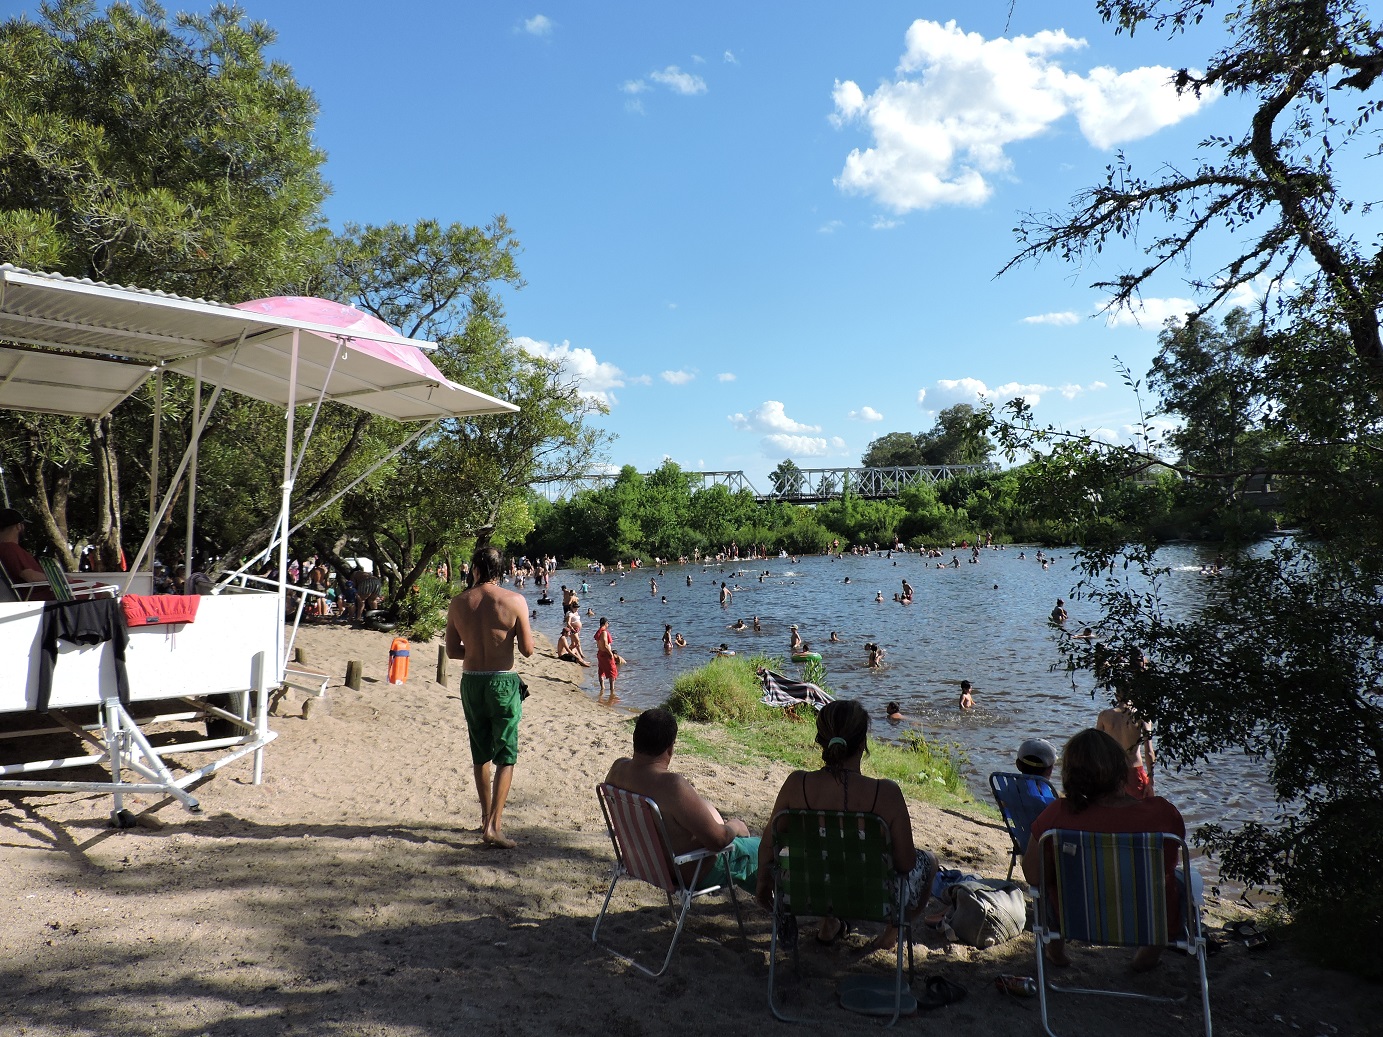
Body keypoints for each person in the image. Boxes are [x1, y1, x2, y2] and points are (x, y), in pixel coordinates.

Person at [757, 700, 939, 948]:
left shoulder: (795, 785)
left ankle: (829, 922)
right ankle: (889, 936)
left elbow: (769, 846)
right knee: (929, 861)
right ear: (863, 744)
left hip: (809, 891)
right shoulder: (885, 794)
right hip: (869, 895)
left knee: (821, 856)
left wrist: (762, 884)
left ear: (821, 740)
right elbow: (905, 863)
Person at [1023, 729, 1187, 972]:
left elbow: (1034, 876)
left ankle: (1055, 951)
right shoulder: (1163, 813)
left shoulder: (1057, 814)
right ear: (1121, 769)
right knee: (1182, 880)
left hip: (1076, 920)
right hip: (1148, 921)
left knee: (1049, 884)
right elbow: (1168, 865)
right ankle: (1148, 954)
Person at [605, 708, 759, 890]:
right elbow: (717, 841)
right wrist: (735, 826)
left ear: (635, 739)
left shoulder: (617, 770)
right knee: (764, 849)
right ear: (670, 748)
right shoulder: (672, 786)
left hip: (646, 866)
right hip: (692, 872)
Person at [445, 546, 535, 849]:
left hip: (471, 682)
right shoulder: (514, 600)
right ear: (502, 570)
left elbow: (452, 650)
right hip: (502, 682)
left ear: (475, 570)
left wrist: (476, 648)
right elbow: (528, 649)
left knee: (480, 751)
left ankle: (485, 819)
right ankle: (495, 826)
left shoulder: (458, 603)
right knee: (506, 755)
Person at [1097, 698, 1157, 798]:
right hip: (1134, 771)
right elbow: (1149, 752)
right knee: (1137, 809)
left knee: (1113, 810)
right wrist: (1151, 780)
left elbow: (1096, 749)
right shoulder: (1142, 716)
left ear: (1116, 695)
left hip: (1112, 772)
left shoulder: (1104, 716)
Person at [0, 509, 53, 600]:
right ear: (18, 526)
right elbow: (30, 576)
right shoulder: (10, 549)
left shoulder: (5, 549)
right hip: (43, 597)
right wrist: (59, 578)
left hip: (37, 594)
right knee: (84, 588)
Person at [594, 616, 621, 701]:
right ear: (605, 623)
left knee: (601, 670)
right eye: (608, 623)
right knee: (612, 672)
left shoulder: (598, 632)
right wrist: (610, 654)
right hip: (605, 654)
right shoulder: (604, 632)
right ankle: (612, 691)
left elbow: (598, 644)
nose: (608, 625)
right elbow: (605, 645)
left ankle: (602, 688)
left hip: (600, 653)